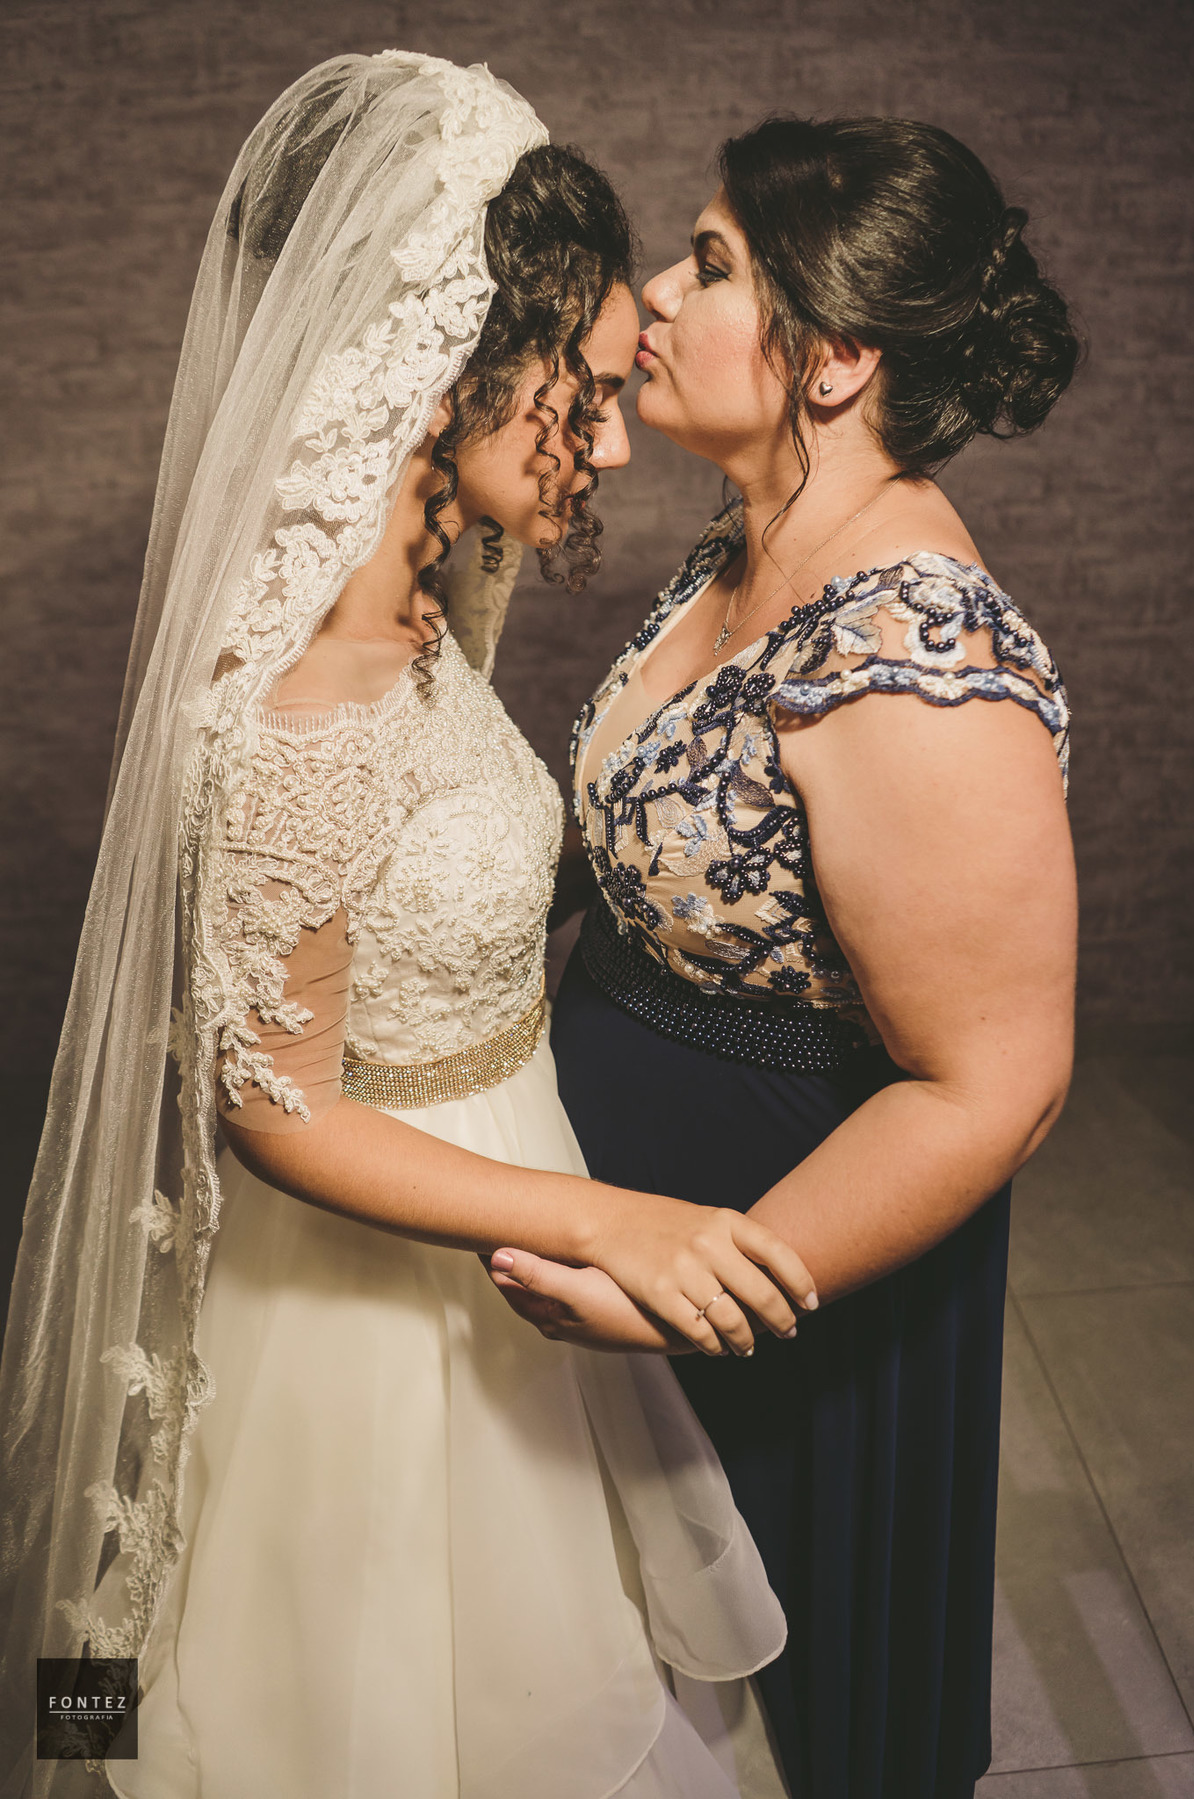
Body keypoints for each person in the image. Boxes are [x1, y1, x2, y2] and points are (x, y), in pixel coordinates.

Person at [0, 58, 821, 1799]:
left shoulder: (424, 602)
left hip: (501, 1193)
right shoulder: (303, 707)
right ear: (455, 370)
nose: (614, 442)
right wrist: (608, 1218)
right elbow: (276, 1112)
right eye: (585, 394)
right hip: (379, 1304)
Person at [490, 116, 1079, 1798]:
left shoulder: (915, 651)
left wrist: (708, 1282)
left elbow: (997, 1085)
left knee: (782, 1703)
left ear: (837, 361)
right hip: (632, 1201)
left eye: (713, 263)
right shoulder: (750, 543)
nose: (657, 294)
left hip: (779, 1264)